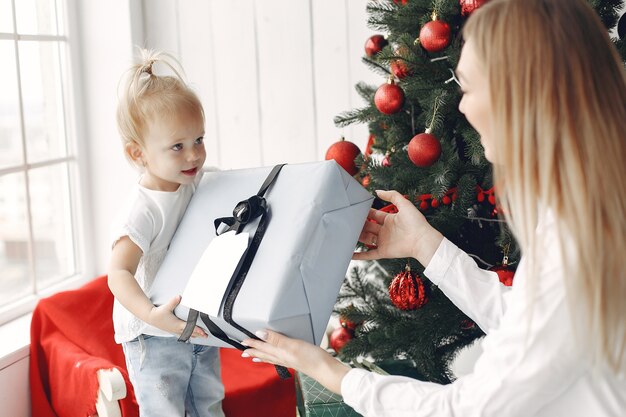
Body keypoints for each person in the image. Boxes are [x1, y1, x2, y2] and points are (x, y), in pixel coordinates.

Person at [240, 0, 626, 415]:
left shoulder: (579, 237)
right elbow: (531, 326)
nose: (460, 106)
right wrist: (427, 245)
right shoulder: (591, 204)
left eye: (469, 86)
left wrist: (331, 372)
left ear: (523, 95)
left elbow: (468, 410)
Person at [108, 49, 225, 417]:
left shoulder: (197, 182)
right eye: (177, 146)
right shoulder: (143, 209)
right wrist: (150, 313)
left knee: (209, 405)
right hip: (152, 334)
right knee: (166, 410)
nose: (193, 155)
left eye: (199, 140)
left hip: (196, 323)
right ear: (138, 153)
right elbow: (118, 273)